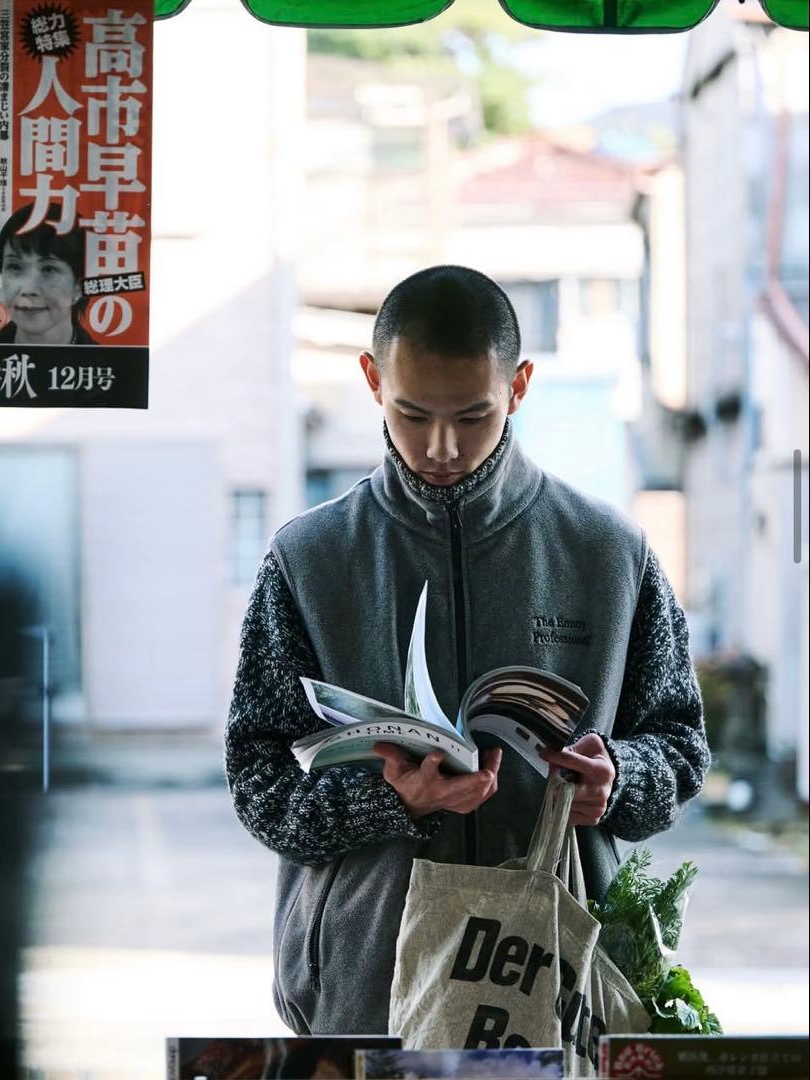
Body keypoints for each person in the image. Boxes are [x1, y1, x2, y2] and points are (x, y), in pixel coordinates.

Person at [224, 265, 711, 1037]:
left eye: (472, 415)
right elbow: (257, 780)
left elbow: (681, 749)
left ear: (517, 387)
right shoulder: (307, 559)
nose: (439, 447)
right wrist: (388, 799)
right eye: (412, 414)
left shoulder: (608, 553)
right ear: (370, 379)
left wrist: (616, 782)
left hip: (559, 983)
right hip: (367, 983)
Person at [0, 205, 94, 346]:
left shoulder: (108, 364)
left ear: (78, 286)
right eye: (15, 267)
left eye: (48, 269)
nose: (28, 290)